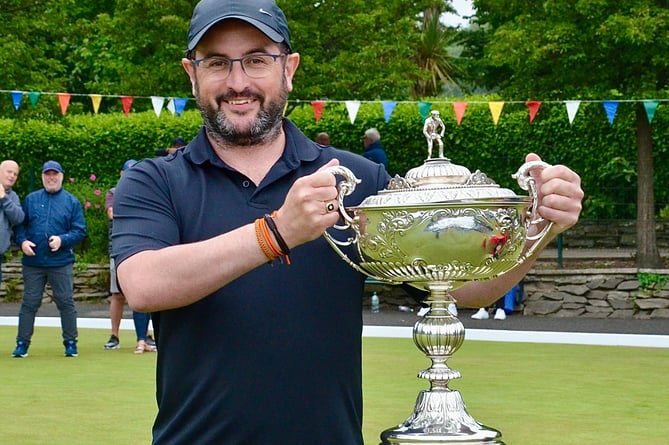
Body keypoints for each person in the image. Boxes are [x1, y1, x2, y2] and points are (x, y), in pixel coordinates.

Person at [111, 1, 583, 443]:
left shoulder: (354, 179)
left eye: (256, 59)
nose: (238, 81)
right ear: (192, 75)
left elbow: (458, 290)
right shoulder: (156, 179)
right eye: (217, 62)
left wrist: (540, 227)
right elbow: (144, 285)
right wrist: (276, 232)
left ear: (288, 69)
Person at [12, 160, 87, 358]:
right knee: (29, 303)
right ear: (43, 177)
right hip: (33, 262)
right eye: (47, 174)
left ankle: (70, 343)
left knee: (65, 302)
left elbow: (80, 231)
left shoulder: (72, 202)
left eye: (55, 174)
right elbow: (20, 226)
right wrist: (23, 243)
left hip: (60, 262)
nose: (51, 178)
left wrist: (63, 240)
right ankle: (22, 344)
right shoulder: (31, 199)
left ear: (61, 176)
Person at [103, 159, 156, 354]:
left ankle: (143, 336)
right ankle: (114, 335)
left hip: (142, 250)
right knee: (118, 295)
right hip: (118, 250)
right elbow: (112, 213)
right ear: (122, 174)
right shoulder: (113, 193)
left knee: (142, 292)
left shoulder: (146, 192)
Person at [0, 160, 25, 283]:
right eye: (9, 172)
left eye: (15, 174)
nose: (12, 176)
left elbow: (19, 218)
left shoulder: (12, 197)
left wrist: (3, 198)